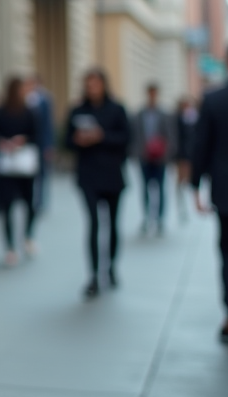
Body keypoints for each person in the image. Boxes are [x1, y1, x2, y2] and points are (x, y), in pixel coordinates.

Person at [66, 68, 131, 298]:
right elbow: (67, 141)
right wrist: (78, 139)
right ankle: (93, 274)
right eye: (88, 84)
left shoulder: (117, 109)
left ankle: (111, 267)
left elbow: (126, 139)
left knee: (112, 224)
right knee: (93, 224)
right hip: (88, 176)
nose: (91, 88)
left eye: (95, 84)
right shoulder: (77, 110)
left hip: (112, 175)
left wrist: (101, 136)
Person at [189, 42, 228, 343]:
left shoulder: (214, 99)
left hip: (227, 190)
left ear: (227, 62)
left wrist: (195, 186)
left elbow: (201, 146)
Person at [0, 76, 41, 266]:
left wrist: (23, 140)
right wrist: (1, 142)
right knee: (7, 206)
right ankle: (10, 246)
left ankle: (27, 236)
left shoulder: (29, 112)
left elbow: (37, 135)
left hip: (24, 164)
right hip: (6, 164)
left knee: (29, 203)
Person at [132, 82, 176, 235]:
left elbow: (171, 136)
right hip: (144, 157)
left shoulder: (164, 114)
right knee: (145, 189)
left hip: (160, 158)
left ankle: (160, 219)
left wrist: (167, 154)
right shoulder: (139, 115)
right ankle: (146, 217)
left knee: (161, 188)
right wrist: (137, 153)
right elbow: (135, 136)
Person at [26, 74, 56, 213]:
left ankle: (40, 202)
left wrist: (49, 145)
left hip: (42, 142)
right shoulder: (25, 98)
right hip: (29, 143)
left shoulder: (45, 99)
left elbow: (48, 124)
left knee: (42, 174)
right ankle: (30, 200)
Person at [173, 96, 198, 223]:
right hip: (182, 156)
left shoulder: (192, 118)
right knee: (181, 182)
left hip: (189, 155)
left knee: (187, 181)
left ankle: (188, 207)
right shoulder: (178, 119)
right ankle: (182, 208)